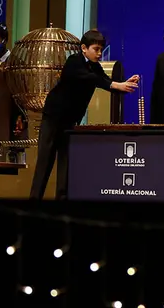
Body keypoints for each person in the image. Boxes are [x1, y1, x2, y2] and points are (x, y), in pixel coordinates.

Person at [30, 30, 140, 200]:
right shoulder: (73, 61)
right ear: (83, 48)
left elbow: (105, 82)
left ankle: (62, 202)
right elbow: (92, 79)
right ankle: (34, 200)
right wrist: (116, 85)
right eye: (95, 49)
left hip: (71, 120)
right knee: (45, 161)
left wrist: (125, 85)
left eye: (101, 50)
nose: (99, 53)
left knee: (66, 163)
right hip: (54, 117)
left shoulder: (95, 66)